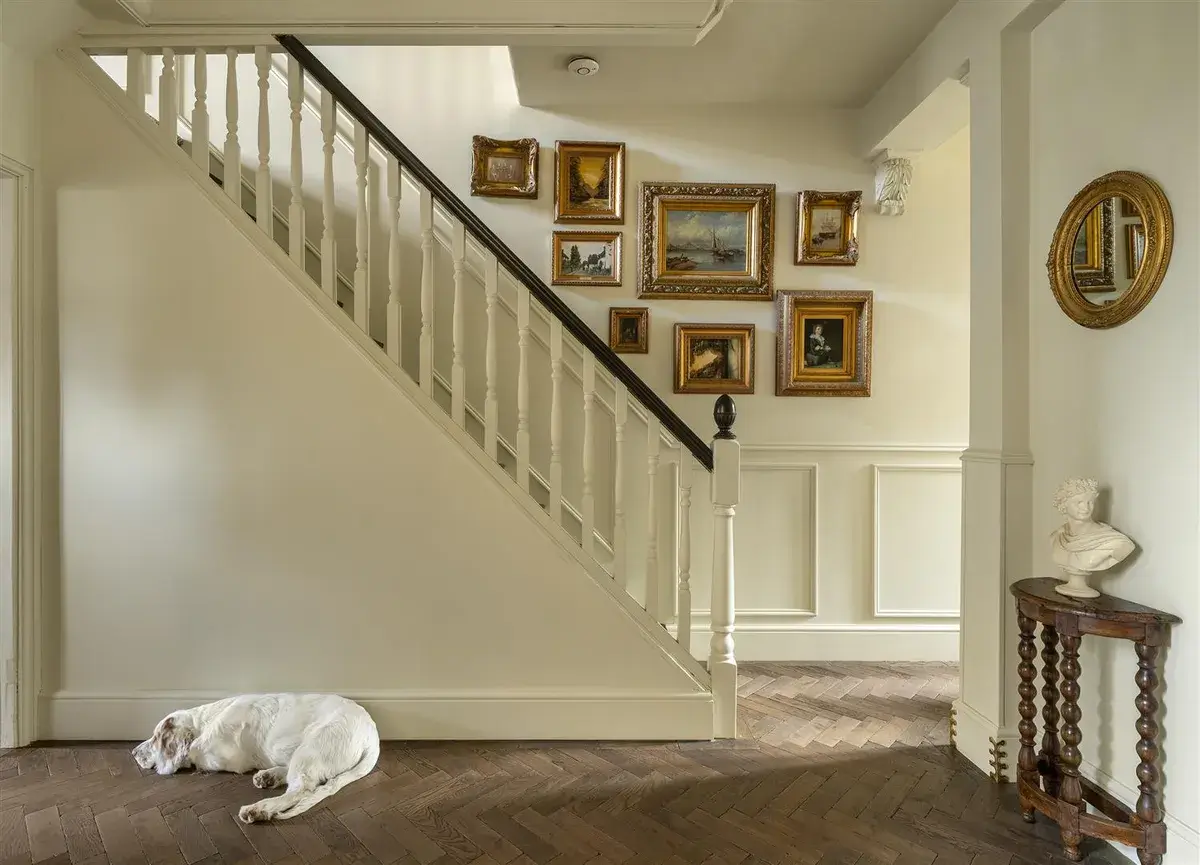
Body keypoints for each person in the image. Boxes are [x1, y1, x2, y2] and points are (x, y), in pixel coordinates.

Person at [1048, 477, 1135, 597]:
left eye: (1090, 502)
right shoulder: (1057, 537)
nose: (1086, 508)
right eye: (1079, 502)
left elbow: (1123, 549)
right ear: (1064, 505)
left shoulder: (1115, 541)